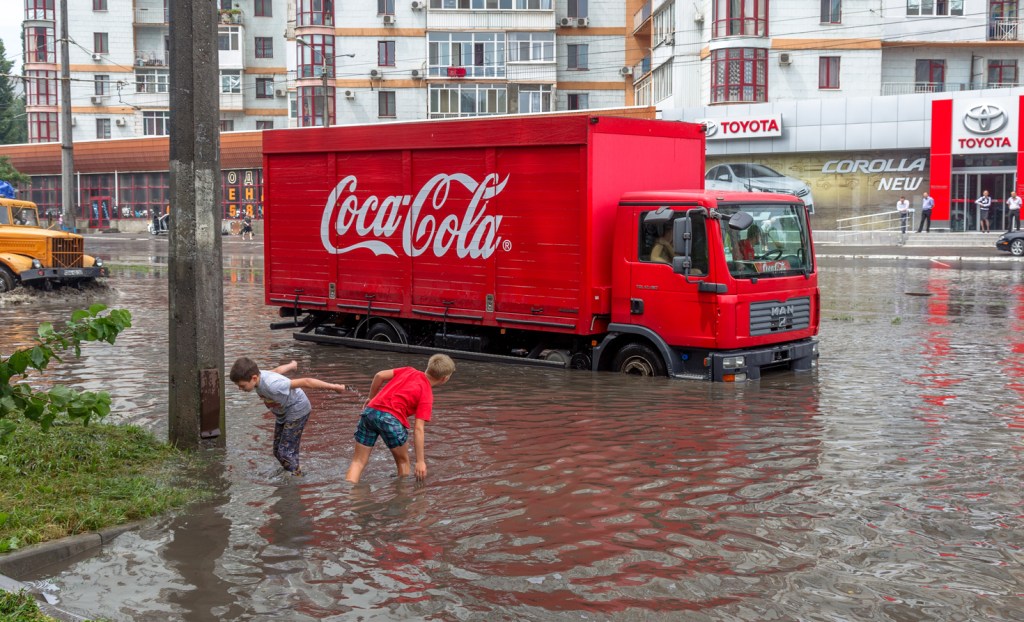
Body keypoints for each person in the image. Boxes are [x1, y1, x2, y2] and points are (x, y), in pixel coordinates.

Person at [345, 353, 456, 484]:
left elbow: (379, 375)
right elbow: (419, 429)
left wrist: (371, 397)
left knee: (358, 461)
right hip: (390, 419)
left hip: (370, 412)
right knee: (403, 462)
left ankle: (348, 493)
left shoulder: (409, 370)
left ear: (428, 367)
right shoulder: (426, 394)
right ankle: (401, 499)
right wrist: (420, 461)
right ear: (444, 379)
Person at [230, 357, 348, 477]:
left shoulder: (273, 385)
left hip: (298, 409)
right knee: (277, 451)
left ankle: (298, 477)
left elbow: (306, 381)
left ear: (254, 378)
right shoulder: (260, 376)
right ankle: (291, 469)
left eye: (242, 386)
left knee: (285, 453)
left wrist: (335, 387)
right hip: (283, 413)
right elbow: (276, 371)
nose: (240, 389)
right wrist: (292, 365)